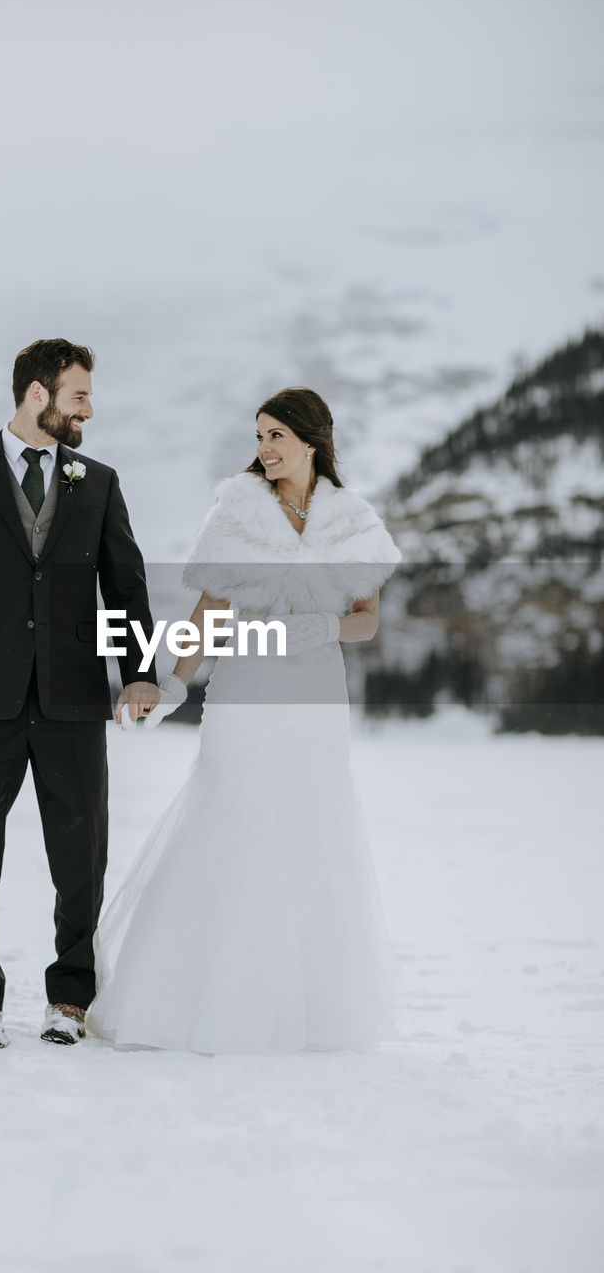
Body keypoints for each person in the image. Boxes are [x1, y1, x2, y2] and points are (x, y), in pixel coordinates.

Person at [87, 387, 402, 1054]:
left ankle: (304, 1010)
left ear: (311, 441)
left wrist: (322, 625)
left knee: (308, 834)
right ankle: (194, 1005)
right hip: (243, 691)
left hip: (315, 698)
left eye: (274, 436)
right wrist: (172, 683)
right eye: (257, 436)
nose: (261, 449)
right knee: (227, 821)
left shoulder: (353, 522)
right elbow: (208, 613)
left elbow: (367, 619)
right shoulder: (235, 513)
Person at [0, 338, 160, 1049]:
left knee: (81, 857)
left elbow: (126, 584)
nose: (89, 410)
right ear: (37, 394)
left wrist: (138, 669)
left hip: (74, 697)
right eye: (79, 395)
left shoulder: (98, 481)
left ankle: (69, 1000)